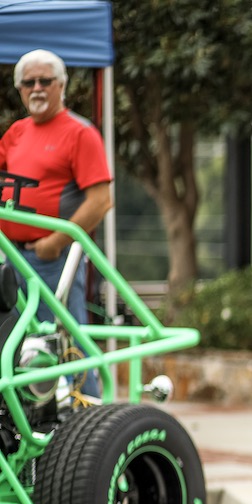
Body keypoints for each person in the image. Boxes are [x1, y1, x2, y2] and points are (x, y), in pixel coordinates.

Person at [0, 49, 113, 397]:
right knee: (15, 342)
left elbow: (101, 200)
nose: (36, 88)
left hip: (52, 260)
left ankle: (90, 412)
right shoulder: (17, 132)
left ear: (61, 85)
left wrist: (55, 242)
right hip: (11, 257)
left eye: (44, 81)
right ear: (19, 89)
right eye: (28, 83)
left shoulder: (79, 133)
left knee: (66, 341)